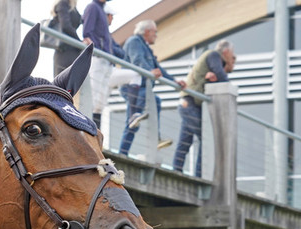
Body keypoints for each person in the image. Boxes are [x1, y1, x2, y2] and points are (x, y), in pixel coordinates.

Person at [118, 20, 186, 156]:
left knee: (155, 102)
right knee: (132, 121)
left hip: (143, 89)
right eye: (155, 32)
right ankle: (122, 153)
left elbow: (158, 69)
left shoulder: (146, 47)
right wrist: (150, 71)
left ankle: (155, 139)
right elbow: (138, 60)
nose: (156, 35)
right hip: (133, 88)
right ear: (147, 31)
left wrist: (174, 81)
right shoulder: (134, 41)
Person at [172, 39, 235, 177]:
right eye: (232, 53)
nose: (232, 57)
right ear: (226, 51)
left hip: (189, 103)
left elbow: (215, 77)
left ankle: (177, 170)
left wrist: (215, 78)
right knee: (206, 137)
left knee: (185, 140)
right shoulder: (213, 56)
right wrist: (231, 88)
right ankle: (199, 175)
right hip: (190, 104)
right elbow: (220, 74)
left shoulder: (212, 59)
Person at [81, 0, 113, 129]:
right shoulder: (93, 7)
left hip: (106, 59)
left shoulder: (102, 9)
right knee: (94, 97)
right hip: (98, 57)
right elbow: (87, 31)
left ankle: (95, 131)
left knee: (101, 101)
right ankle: (88, 129)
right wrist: (96, 48)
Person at [51, 0, 83, 76]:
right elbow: (66, 26)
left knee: (74, 84)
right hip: (64, 51)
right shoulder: (63, 3)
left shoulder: (72, 6)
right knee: (64, 84)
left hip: (73, 50)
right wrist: (80, 42)